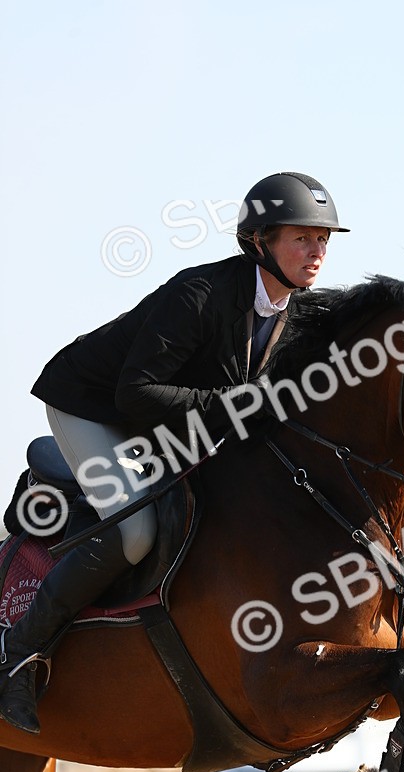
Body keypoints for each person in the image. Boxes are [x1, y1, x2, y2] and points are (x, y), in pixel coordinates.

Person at [0, 171, 348, 735]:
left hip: (159, 417)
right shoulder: (200, 294)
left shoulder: (293, 313)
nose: (316, 252)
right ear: (260, 241)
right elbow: (135, 393)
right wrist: (237, 401)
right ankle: (18, 654)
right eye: (302, 237)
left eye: (324, 240)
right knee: (132, 532)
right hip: (92, 407)